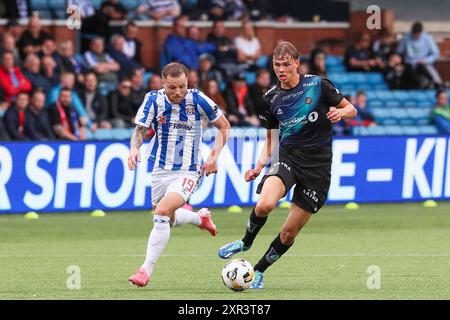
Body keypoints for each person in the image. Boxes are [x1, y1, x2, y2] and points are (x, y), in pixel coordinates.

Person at [217, 41, 357, 289]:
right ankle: (246, 241)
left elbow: (351, 109)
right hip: (288, 158)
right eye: (276, 65)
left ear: (297, 63)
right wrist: (259, 166)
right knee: (265, 203)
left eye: (286, 64)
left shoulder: (318, 85)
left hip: (318, 169)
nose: (281, 69)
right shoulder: (270, 98)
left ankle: (258, 270)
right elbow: (271, 138)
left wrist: (340, 114)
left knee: (288, 233)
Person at [127, 62, 231, 287]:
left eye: (182, 86)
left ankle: (145, 270)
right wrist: (134, 148)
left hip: (189, 170)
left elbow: (224, 126)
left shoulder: (198, 99)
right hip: (159, 170)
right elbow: (139, 131)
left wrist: (213, 157)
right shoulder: (153, 100)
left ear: (188, 81)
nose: (177, 92)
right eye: (172, 87)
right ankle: (199, 219)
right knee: (166, 218)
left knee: (163, 211)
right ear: (162, 83)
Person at [397, 21, 443, 89]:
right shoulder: (406, 38)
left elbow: (436, 54)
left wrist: (426, 60)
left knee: (434, 78)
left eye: (417, 34)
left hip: (423, 65)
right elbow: (399, 51)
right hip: (408, 65)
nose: (415, 36)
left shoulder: (427, 38)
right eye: (413, 34)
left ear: (420, 33)